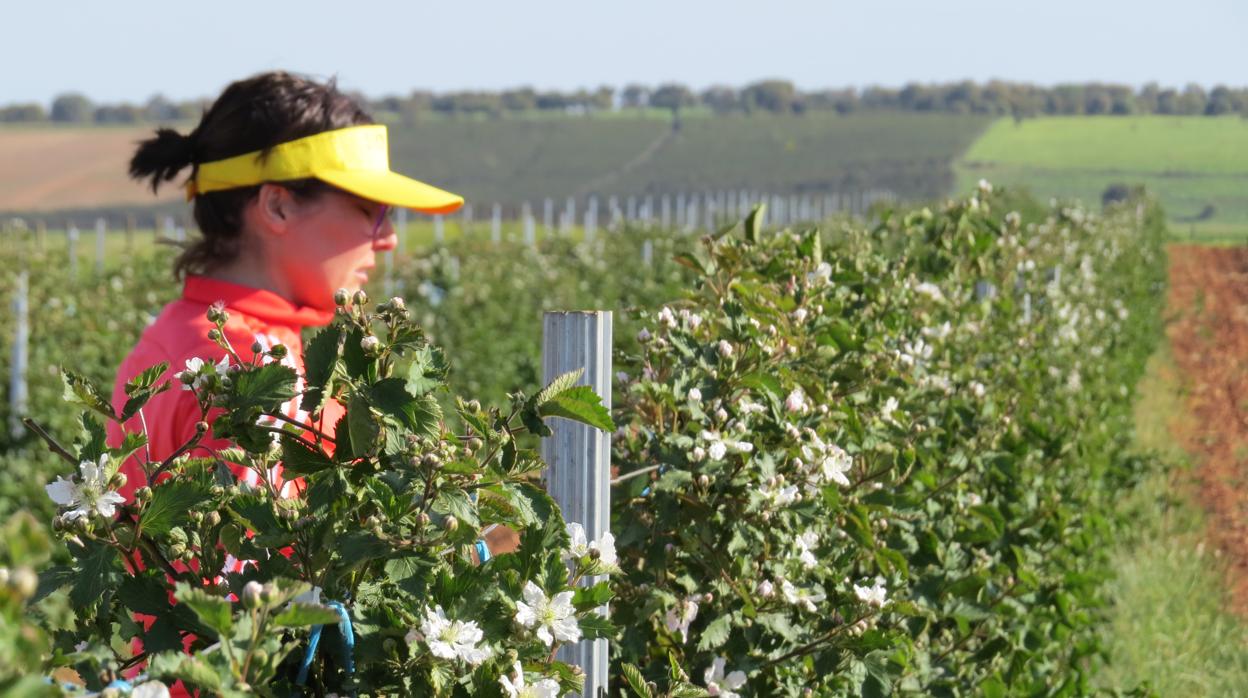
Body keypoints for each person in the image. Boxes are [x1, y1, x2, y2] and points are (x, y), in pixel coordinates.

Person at [106, 71, 463, 691]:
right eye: (367, 208)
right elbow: (262, 606)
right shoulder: (251, 371)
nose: (388, 236)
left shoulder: (179, 335)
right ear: (275, 204)